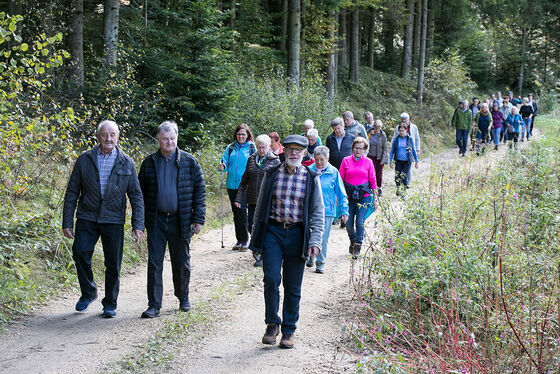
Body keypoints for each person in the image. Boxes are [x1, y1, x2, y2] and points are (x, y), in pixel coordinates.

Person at [62, 120, 144, 318]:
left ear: (117, 137)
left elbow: (136, 195)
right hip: (87, 216)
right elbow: (72, 191)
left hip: (114, 218)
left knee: (113, 263)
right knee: (80, 252)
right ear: (98, 136)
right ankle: (89, 292)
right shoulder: (84, 159)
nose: (108, 138)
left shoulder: (126, 162)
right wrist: (67, 221)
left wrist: (138, 224)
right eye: (105, 135)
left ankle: (110, 303)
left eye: (112, 135)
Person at [249, 135, 324, 349]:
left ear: (303, 153)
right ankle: (272, 323)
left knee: (293, 285)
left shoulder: (311, 177)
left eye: (298, 150)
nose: (293, 153)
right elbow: (260, 207)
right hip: (273, 231)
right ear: (284, 152)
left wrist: (315, 241)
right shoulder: (271, 174)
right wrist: (256, 239)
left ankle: (289, 330)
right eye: (290, 149)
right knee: (271, 279)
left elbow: (318, 212)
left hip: (297, 234)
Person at [138, 121, 206, 319]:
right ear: (158, 140)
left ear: (177, 138)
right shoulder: (149, 163)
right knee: (155, 263)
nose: (169, 142)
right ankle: (154, 304)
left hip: (181, 220)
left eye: (172, 138)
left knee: (181, 262)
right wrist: (139, 222)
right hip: (156, 220)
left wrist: (198, 218)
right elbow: (139, 194)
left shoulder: (190, 162)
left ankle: (183, 298)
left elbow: (200, 191)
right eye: (165, 139)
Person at [235, 134, 280, 265]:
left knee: (264, 227)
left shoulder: (275, 161)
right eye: (259, 147)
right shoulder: (251, 159)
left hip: (267, 202)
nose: (261, 150)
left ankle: (263, 254)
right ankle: (258, 250)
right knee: (251, 226)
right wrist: (238, 198)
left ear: (269, 147)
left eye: (264, 147)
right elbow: (244, 181)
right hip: (253, 199)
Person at [308, 146, 348, 273]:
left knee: (322, 237)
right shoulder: (308, 170)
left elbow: (341, 193)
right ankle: (310, 255)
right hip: (310, 209)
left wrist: (344, 210)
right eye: (316, 160)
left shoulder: (333, 172)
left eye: (321, 160)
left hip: (327, 210)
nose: (319, 163)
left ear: (327, 158)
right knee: (308, 234)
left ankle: (320, 262)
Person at [219, 124, 256, 251]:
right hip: (231, 184)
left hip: (245, 185)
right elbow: (224, 161)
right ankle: (239, 240)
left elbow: (256, 163)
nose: (241, 136)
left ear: (247, 135)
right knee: (236, 213)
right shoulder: (230, 148)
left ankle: (245, 240)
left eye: (243, 134)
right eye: (239, 134)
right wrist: (222, 164)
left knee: (242, 211)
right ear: (236, 135)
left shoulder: (252, 147)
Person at [339, 137, 378, 258]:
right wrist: (337, 196)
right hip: (349, 196)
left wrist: (375, 198)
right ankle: (352, 239)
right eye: (356, 148)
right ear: (353, 148)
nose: (358, 150)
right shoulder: (345, 161)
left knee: (360, 222)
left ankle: (357, 245)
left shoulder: (368, 162)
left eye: (361, 148)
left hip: (364, 196)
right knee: (348, 223)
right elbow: (340, 179)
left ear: (365, 150)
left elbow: (372, 180)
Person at [326, 117, 355, 229]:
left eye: (338, 128)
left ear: (343, 126)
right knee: (334, 193)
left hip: (348, 170)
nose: (337, 131)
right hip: (334, 169)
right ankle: (336, 216)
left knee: (345, 193)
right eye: (334, 129)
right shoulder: (330, 139)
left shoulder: (352, 138)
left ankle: (345, 217)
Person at [389, 124, 419, 196]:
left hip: (407, 161)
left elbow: (413, 150)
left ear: (406, 130)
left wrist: (416, 160)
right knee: (397, 176)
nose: (401, 132)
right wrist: (391, 161)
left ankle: (403, 192)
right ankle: (398, 188)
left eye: (403, 131)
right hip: (398, 160)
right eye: (400, 131)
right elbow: (392, 151)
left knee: (405, 176)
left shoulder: (409, 139)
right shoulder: (396, 139)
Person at [367, 120, 388, 195]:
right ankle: (373, 188)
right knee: (372, 173)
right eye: (375, 128)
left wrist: (383, 159)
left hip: (379, 156)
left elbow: (385, 148)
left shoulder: (383, 135)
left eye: (378, 128)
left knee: (379, 173)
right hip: (370, 155)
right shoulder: (369, 133)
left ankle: (379, 188)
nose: (377, 130)